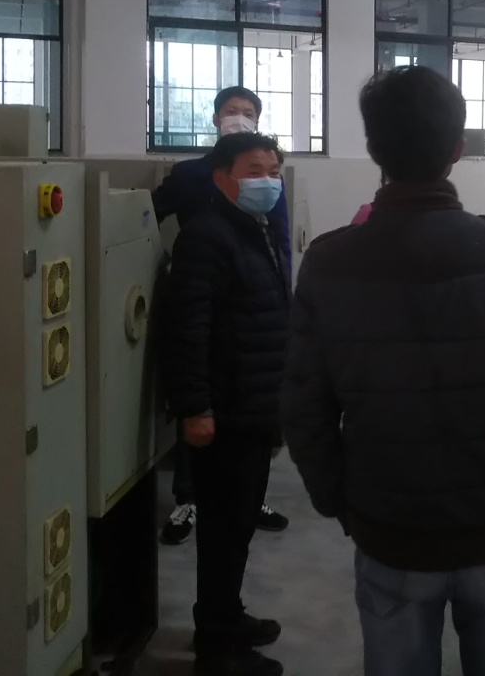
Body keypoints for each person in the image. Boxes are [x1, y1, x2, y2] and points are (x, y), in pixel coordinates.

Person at [283, 66, 485, 676]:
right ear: (456, 149)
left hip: (389, 529)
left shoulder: (330, 263)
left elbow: (305, 405)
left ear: (373, 149)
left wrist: (342, 502)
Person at [162, 132, 291, 676]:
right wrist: (195, 408)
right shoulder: (206, 237)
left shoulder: (255, 229)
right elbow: (187, 329)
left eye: (274, 172)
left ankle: (226, 615)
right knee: (222, 532)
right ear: (222, 179)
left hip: (254, 405)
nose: (268, 182)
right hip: (227, 410)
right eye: (254, 172)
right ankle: (217, 648)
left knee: (236, 529)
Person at [152, 85, 291, 545]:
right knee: (204, 406)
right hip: (209, 299)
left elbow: (280, 240)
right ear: (216, 118)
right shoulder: (192, 175)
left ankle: (252, 499)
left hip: (255, 305)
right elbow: (144, 216)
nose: (240, 117)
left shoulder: (268, 180)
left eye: (248, 112)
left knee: (253, 421)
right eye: (232, 111)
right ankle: (188, 498)